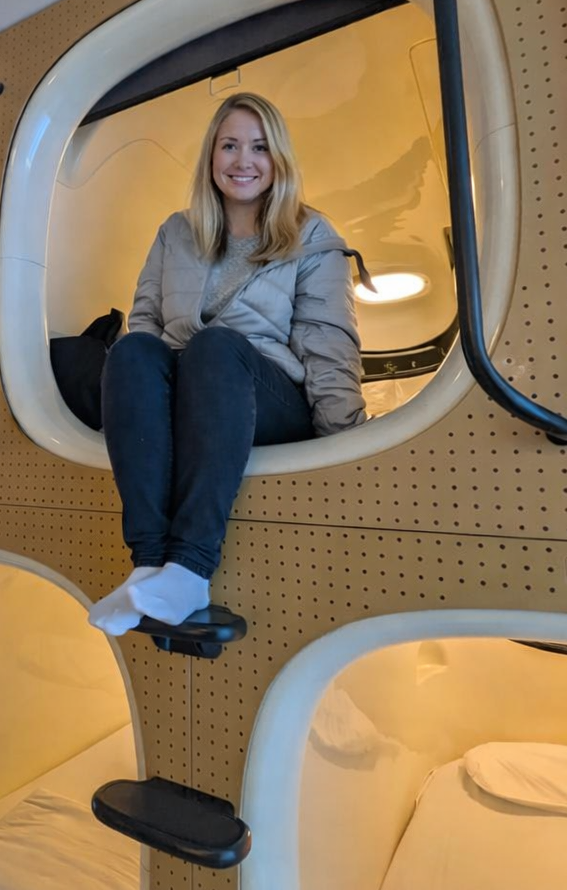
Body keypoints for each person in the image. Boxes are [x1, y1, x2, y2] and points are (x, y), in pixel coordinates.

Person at [88, 92, 367, 636]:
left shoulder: (311, 235)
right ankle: (148, 565)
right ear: (211, 158)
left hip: (266, 393)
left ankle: (191, 567)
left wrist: (346, 449)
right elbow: (145, 319)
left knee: (214, 346)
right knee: (132, 348)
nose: (244, 160)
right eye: (230, 145)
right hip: (188, 387)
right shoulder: (176, 231)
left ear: (278, 159)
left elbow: (328, 344)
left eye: (259, 147)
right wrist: (139, 401)